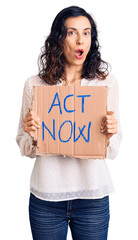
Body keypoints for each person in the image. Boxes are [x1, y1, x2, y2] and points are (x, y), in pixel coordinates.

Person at [16, 5, 122, 240]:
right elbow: (23, 145)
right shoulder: (35, 85)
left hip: (92, 199)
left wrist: (111, 133)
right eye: (72, 33)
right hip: (46, 199)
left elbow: (112, 151)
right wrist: (32, 134)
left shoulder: (105, 84)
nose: (80, 40)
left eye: (86, 33)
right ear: (59, 39)